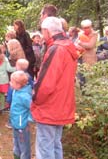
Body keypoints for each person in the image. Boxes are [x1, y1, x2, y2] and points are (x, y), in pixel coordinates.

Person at [31, 16, 78, 159]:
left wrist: (35, 98)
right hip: (62, 103)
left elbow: (46, 82)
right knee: (55, 145)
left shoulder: (57, 49)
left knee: (45, 149)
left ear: (46, 31)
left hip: (50, 107)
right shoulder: (67, 46)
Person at [10, 71, 32, 159]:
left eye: (11, 82)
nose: (10, 83)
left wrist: (29, 119)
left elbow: (32, 107)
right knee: (16, 143)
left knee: (24, 146)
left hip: (21, 125)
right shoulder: (16, 91)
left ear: (18, 85)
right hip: (15, 123)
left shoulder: (24, 96)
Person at [0, 44, 15, 112]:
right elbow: (9, 69)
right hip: (4, 80)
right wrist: (16, 68)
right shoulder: (5, 59)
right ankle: (2, 107)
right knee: (2, 93)